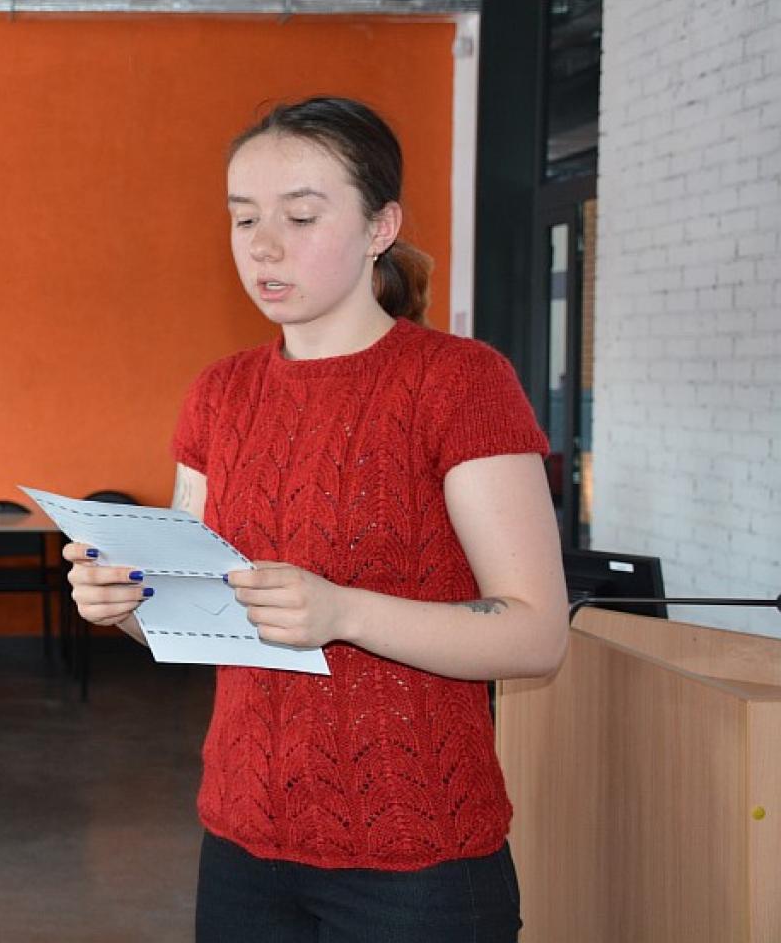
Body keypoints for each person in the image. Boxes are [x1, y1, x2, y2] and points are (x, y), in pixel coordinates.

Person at [64, 97, 569, 943]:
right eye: (244, 218)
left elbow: (535, 634)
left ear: (381, 227)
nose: (264, 245)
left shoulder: (459, 384)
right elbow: (193, 619)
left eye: (300, 217)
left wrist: (343, 612)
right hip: (243, 837)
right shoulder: (220, 395)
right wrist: (124, 606)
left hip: (418, 858)